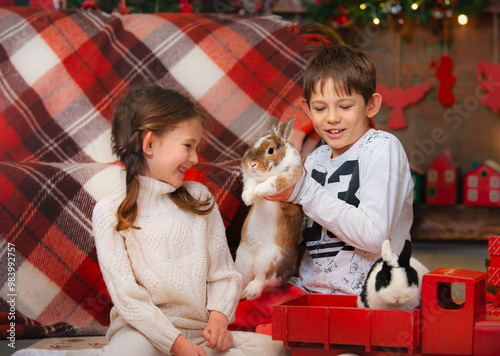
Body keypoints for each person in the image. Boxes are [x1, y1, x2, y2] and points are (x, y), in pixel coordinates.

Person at [14, 85, 290, 356]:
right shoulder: (110, 211)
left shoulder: (200, 198)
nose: (195, 158)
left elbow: (223, 273)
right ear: (149, 144)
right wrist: (175, 344)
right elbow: (128, 298)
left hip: (197, 332)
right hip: (141, 331)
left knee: (275, 348)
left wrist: (218, 320)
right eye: (188, 145)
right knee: (133, 351)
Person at [232, 43, 414, 331]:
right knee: (235, 317)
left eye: (344, 106)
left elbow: (375, 236)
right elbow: (305, 232)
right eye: (320, 108)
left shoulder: (382, 148)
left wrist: (304, 191)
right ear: (307, 109)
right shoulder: (315, 159)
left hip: (363, 295)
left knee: (275, 335)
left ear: (371, 105)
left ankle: (286, 336)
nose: (331, 118)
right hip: (306, 290)